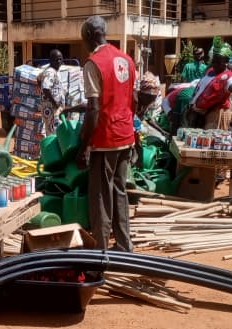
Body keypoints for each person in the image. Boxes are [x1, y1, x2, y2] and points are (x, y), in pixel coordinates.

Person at [77, 15, 137, 252]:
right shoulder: (126, 59)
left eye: (84, 39)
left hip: (105, 139)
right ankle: (124, 245)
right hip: (125, 135)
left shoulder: (94, 63)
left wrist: (83, 146)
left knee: (100, 197)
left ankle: (100, 253)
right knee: (120, 191)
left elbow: (93, 109)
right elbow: (132, 99)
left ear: (90, 36)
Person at [187, 40, 232, 130]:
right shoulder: (210, 71)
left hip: (216, 115)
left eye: (218, 62)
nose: (214, 64)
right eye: (213, 61)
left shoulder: (228, 76)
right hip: (200, 113)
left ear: (226, 62)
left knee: (212, 141)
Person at [38, 49, 68, 135]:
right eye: (56, 59)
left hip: (54, 108)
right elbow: (46, 89)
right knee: (54, 133)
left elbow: (38, 78)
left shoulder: (53, 71)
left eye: (60, 59)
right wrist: (54, 103)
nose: (59, 61)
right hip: (52, 108)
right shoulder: (50, 72)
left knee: (54, 131)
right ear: (51, 60)